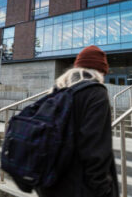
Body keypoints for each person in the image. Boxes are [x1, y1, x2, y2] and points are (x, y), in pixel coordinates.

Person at [35, 45, 118, 197]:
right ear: (100, 70)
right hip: (79, 186)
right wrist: (103, 188)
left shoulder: (57, 90)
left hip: (50, 183)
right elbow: (95, 147)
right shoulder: (96, 93)